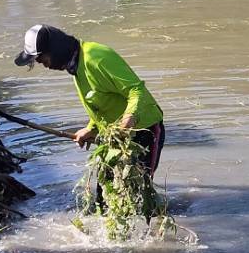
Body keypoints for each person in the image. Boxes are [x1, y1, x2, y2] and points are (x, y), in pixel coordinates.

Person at [14, 24, 165, 202]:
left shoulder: (97, 57)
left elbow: (136, 90)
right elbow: (101, 102)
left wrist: (129, 118)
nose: (42, 64)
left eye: (41, 58)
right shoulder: (77, 66)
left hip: (144, 130)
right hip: (115, 136)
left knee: (138, 196)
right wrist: (91, 128)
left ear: (55, 48)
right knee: (104, 196)